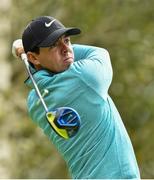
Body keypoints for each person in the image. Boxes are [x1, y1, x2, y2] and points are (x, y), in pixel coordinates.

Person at [16, 16, 140, 179]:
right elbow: (99, 53)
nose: (66, 48)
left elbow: (39, 73)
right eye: (54, 45)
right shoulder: (86, 77)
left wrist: (32, 58)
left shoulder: (35, 102)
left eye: (67, 40)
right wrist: (26, 53)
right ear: (33, 57)